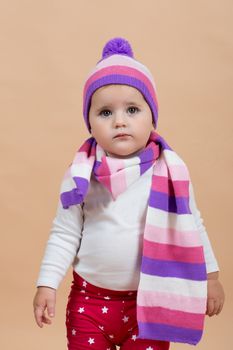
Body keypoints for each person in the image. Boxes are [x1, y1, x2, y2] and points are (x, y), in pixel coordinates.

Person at [33, 37, 225, 350]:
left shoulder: (169, 170)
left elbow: (192, 224)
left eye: (132, 109)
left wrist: (211, 276)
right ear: (90, 123)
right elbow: (64, 234)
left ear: (152, 116)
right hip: (90, 302)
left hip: (149, 302)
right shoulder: (81, 175)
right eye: (105, 112)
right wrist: (47, 284)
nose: (120, 121)